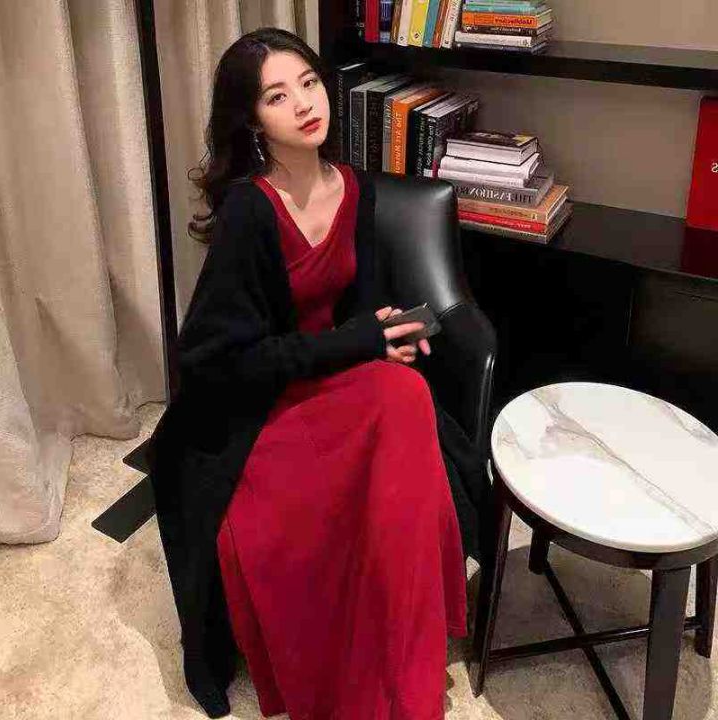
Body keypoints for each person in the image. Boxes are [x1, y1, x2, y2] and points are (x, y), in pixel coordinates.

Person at [146, 26, 486, 720]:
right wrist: (355, 344)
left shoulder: (354, 189)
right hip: (261, 406)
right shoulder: (250, 209)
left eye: (308, 82)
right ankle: (395, 676)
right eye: (277, 96)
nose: (304, 103)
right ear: (252, 121)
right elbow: (214, 361)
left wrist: (385, 337)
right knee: (401, 404)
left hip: (332, 384)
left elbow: (360, 309)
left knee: (403, 393)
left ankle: (404, 652)